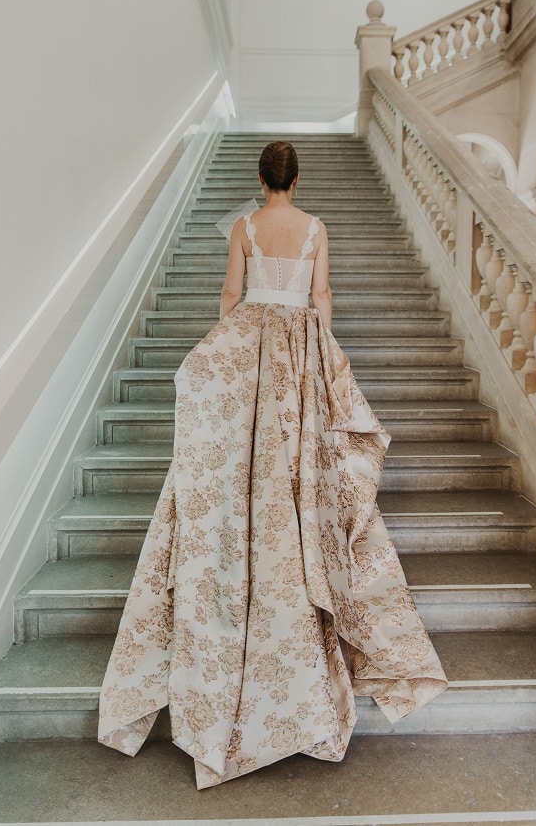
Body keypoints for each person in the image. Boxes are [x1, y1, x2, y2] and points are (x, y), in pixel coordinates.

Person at [98, 140, 448, 789]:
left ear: (261, 179)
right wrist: (323, 362)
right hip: (300, 357)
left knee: (245, 471)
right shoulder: (315, 227)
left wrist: (219, 365)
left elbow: (230, 296)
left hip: (252, 352)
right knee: (300, 476)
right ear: (297, 179)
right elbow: (322, 300)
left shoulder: (245, 226)